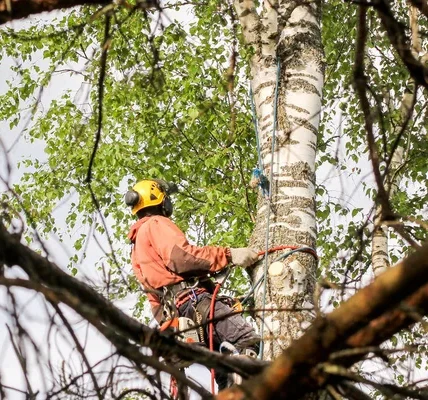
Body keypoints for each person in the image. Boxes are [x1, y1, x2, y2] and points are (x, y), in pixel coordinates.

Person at [125, 179, 260, 389]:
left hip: (182, 317)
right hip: (195, 304)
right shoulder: (156, 224)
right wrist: (229, 255)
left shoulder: (136, 247)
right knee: (246, 341)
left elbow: (155, 301)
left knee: (224, 371)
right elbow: (182, 258)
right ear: (159, 199)